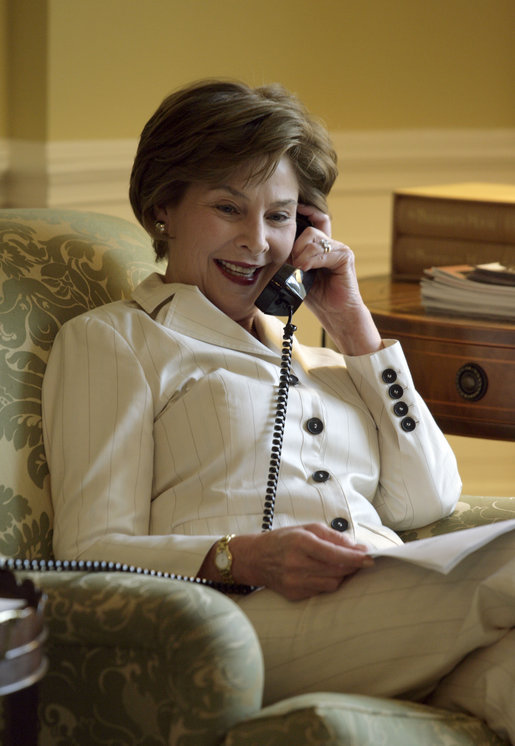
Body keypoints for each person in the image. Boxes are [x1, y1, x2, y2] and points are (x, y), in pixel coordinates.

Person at [42, 80, 515, 742]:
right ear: (163, 210)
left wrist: (354, 329)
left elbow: (426, 499)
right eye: (228, 208)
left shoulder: (324, 359)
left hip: (386, 610)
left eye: (278, 216)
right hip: (237, 625)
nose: (256, 243)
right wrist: (244, 558)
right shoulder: (116, 340)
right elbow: (87, 550)